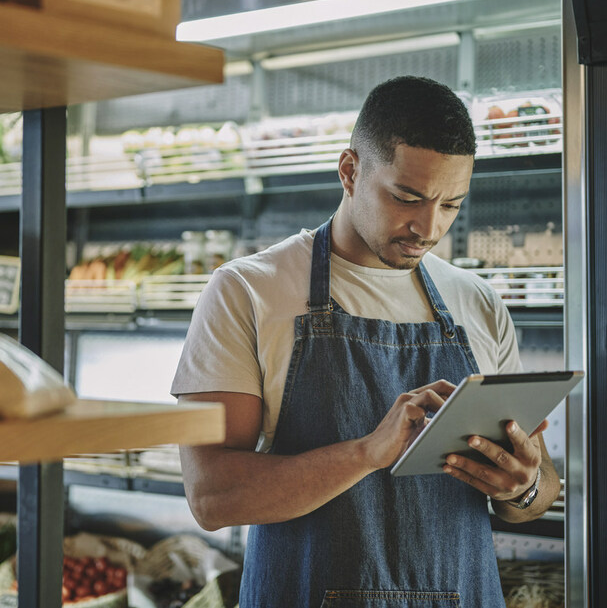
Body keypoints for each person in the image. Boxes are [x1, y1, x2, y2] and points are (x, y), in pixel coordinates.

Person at [170, 76, 559, 607]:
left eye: (451, 205)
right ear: (350, 171)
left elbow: (540, 490)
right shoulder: (248, 291)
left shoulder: (477, 303)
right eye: (407, 197)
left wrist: (522, 488)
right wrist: (367, 453)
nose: (428, 227)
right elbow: (211, 496)